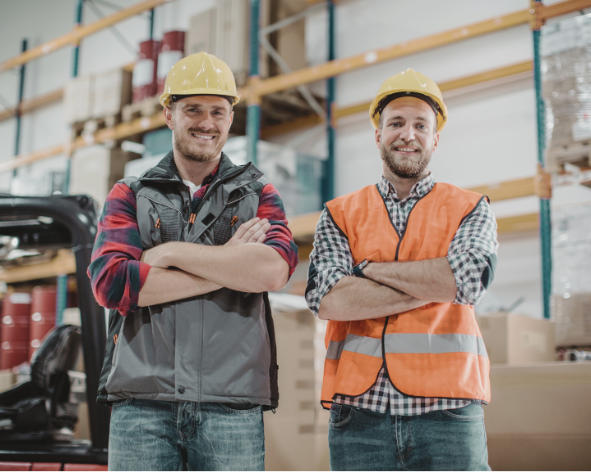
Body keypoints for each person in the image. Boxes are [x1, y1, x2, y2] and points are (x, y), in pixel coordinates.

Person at [89, 52, 298, 471]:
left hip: (231, 407)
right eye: (193, 109)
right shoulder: (130, 194)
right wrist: (230, 264)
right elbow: (113, 284)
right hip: (142, 405)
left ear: (230, 118)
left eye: (217, 111)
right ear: (169, 114)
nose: (206, 122)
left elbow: (273, 270)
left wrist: (165, 255)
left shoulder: (258, 193)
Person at [305, 68, 498, 471]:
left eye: (419, 125)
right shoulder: (339, 214)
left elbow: (466, 280)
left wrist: (369, 269)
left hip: (448, 413)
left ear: (435, 139)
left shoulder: (470, 207)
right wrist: (435, 281)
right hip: (360, 413)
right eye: (395, 123)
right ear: (378, 134)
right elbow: (328, 299)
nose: (407, 134)